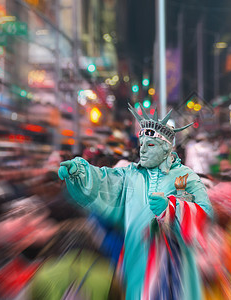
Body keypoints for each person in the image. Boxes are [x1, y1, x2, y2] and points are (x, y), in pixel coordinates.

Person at [58, 103, 213, 300]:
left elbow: (204, 213)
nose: (143, 151)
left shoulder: (187, 176)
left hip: (173, 268)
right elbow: (105, 180)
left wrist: (172, 209)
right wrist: (80, 172)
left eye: (150, 145)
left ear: (166, 148)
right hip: (136, 260)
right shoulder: (130, 173)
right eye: (141, 145)